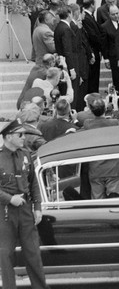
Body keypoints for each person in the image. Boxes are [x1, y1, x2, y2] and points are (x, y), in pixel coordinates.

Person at [0, 119, 49, 289]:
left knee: (33, 254)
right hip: (5, 212)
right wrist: (9, 198)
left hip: (26, 210)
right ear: (8, 137)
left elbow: (33, 183)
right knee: (5, 256)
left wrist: (37, 207)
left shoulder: (25, 154)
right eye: (20, 134)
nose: (23, 137)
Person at [101, 5, 119, 97]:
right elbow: (104, 45)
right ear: (109, 14)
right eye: (113, 14)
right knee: (118, 80)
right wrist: (106, 59)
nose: (116, 16)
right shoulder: (105, 26)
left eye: (117, 13)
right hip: (114, 57)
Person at [82, 0, 105, 93]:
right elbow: (93, 36)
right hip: (93, 51)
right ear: (92, 5)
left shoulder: (90, 16)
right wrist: (101, 44)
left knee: (95, 79)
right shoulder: (86, 18)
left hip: (95, 51)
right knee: (93, 79)